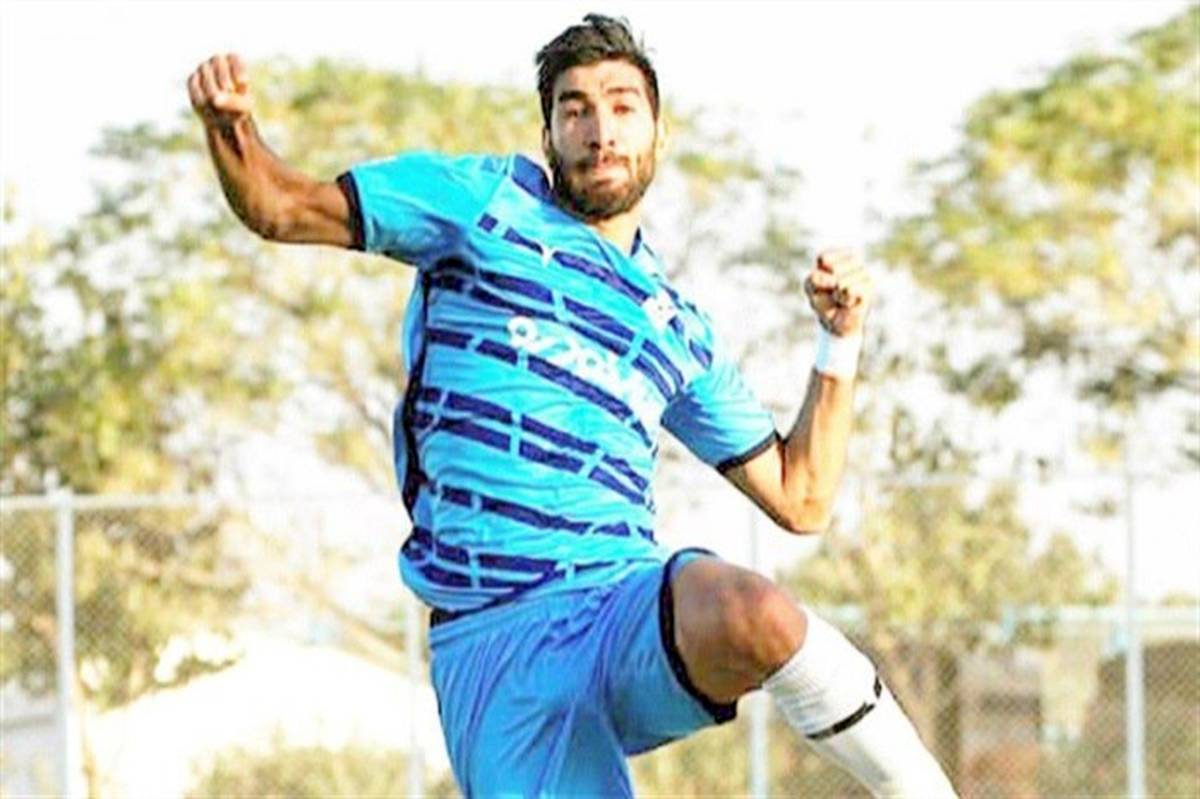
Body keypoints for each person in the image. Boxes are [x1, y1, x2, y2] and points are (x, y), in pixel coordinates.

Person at [189, 14, 956, 798]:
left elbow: (802, 496)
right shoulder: (484, 203)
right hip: (495, 640)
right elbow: (281, 206)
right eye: (575, 108)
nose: (601, 129)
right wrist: (231, 127)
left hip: (620, 604)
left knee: (751, 610)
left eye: (623, 106)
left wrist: (840, 340)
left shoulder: (673, 323)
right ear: (549, 134)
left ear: (658, 132)